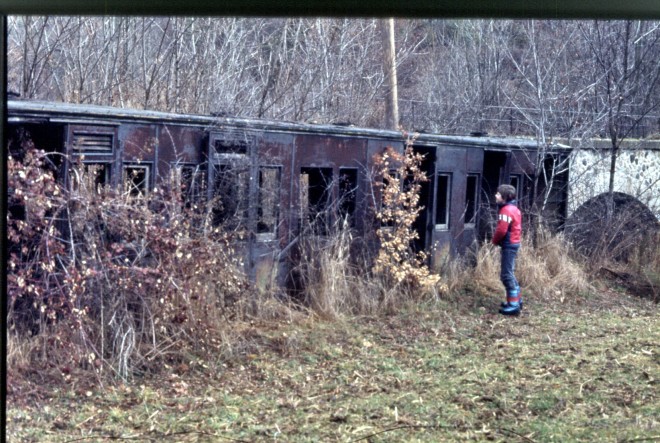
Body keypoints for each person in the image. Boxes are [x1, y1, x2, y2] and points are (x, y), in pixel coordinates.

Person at [492, 184, 523, 316]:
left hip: (509, 244)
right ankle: (516, 300)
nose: (496, 195)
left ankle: (513, 305)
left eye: (498, 194)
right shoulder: (514, 208)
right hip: (514, 243)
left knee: (506, 274)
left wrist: (494, 240)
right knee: (509, 272)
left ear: (504, 197)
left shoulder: (506, 211)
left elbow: (502, 230)